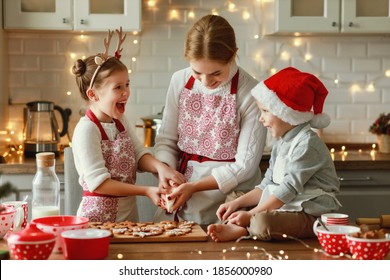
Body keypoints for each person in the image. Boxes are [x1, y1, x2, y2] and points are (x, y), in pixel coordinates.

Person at [153, 15, 267, 224]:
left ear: (233, 55)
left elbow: (245, 166)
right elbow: (166, 140)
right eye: (197, 72)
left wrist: (194, 187)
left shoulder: (251, 92)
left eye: (216, 73)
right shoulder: (179, 80)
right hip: (181, 192)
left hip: (232, 200)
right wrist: (167, 172)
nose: (206, 81)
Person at [207, 67, 341, 242]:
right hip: (286, 205)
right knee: (235, 197)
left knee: (262, 222)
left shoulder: (307, 144)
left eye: (265, 111)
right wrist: (237, 204)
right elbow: (267, 185)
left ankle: (244, 230)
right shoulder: (281, 142)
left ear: (287, 114)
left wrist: (253, 213)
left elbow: (288, 189)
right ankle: (243, 225)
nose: (260, 118)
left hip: (311, 213)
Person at [71, 28, 185, 223]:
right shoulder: (87, 130)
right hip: (97, 221)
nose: (126, 92)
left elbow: (139, 154)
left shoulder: (120, 121)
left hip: (128, 218)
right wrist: (146, 190)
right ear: (93, 95)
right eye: (118, 87)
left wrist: (160, 168)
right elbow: (99, 184)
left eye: (127, 84)